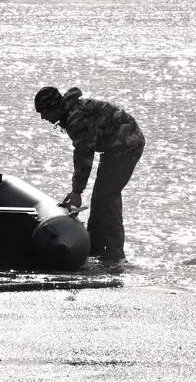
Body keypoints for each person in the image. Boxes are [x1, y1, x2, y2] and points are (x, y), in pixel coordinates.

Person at [33, 86, 145, 263]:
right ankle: (97, 248)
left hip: (127, 145)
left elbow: (84, 154)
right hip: (114, 147)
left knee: (107, 197)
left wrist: (77, 191)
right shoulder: (70, 113)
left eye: (44, 112)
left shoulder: (76, 118)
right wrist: (77, 190)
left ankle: (115, 254)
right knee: (100, 197)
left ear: (55, 107)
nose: (43, 118)